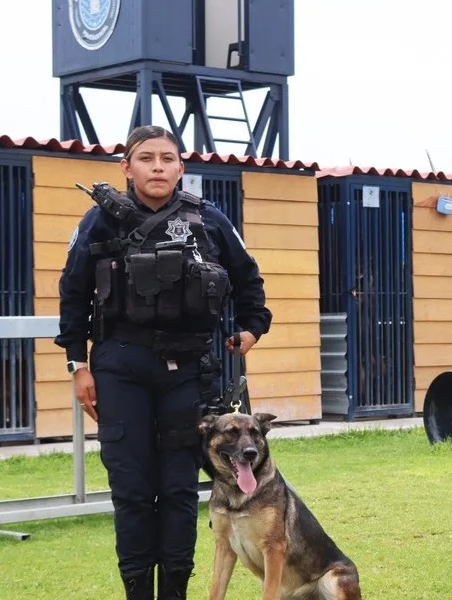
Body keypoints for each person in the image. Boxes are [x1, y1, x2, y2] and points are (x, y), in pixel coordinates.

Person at [55, 125, 273, 599]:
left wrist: (252, 329)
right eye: (147, 158)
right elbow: (72, 295)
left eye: (168, 158)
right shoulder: (98, 222)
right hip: (119, 365)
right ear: (126, 166)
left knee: (178, 490)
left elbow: (249, 281)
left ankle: (174, 592)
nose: (158, 167)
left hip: (188, 371)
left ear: (181, 166)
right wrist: (79, 365)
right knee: (132, 491)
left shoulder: (209, 220)